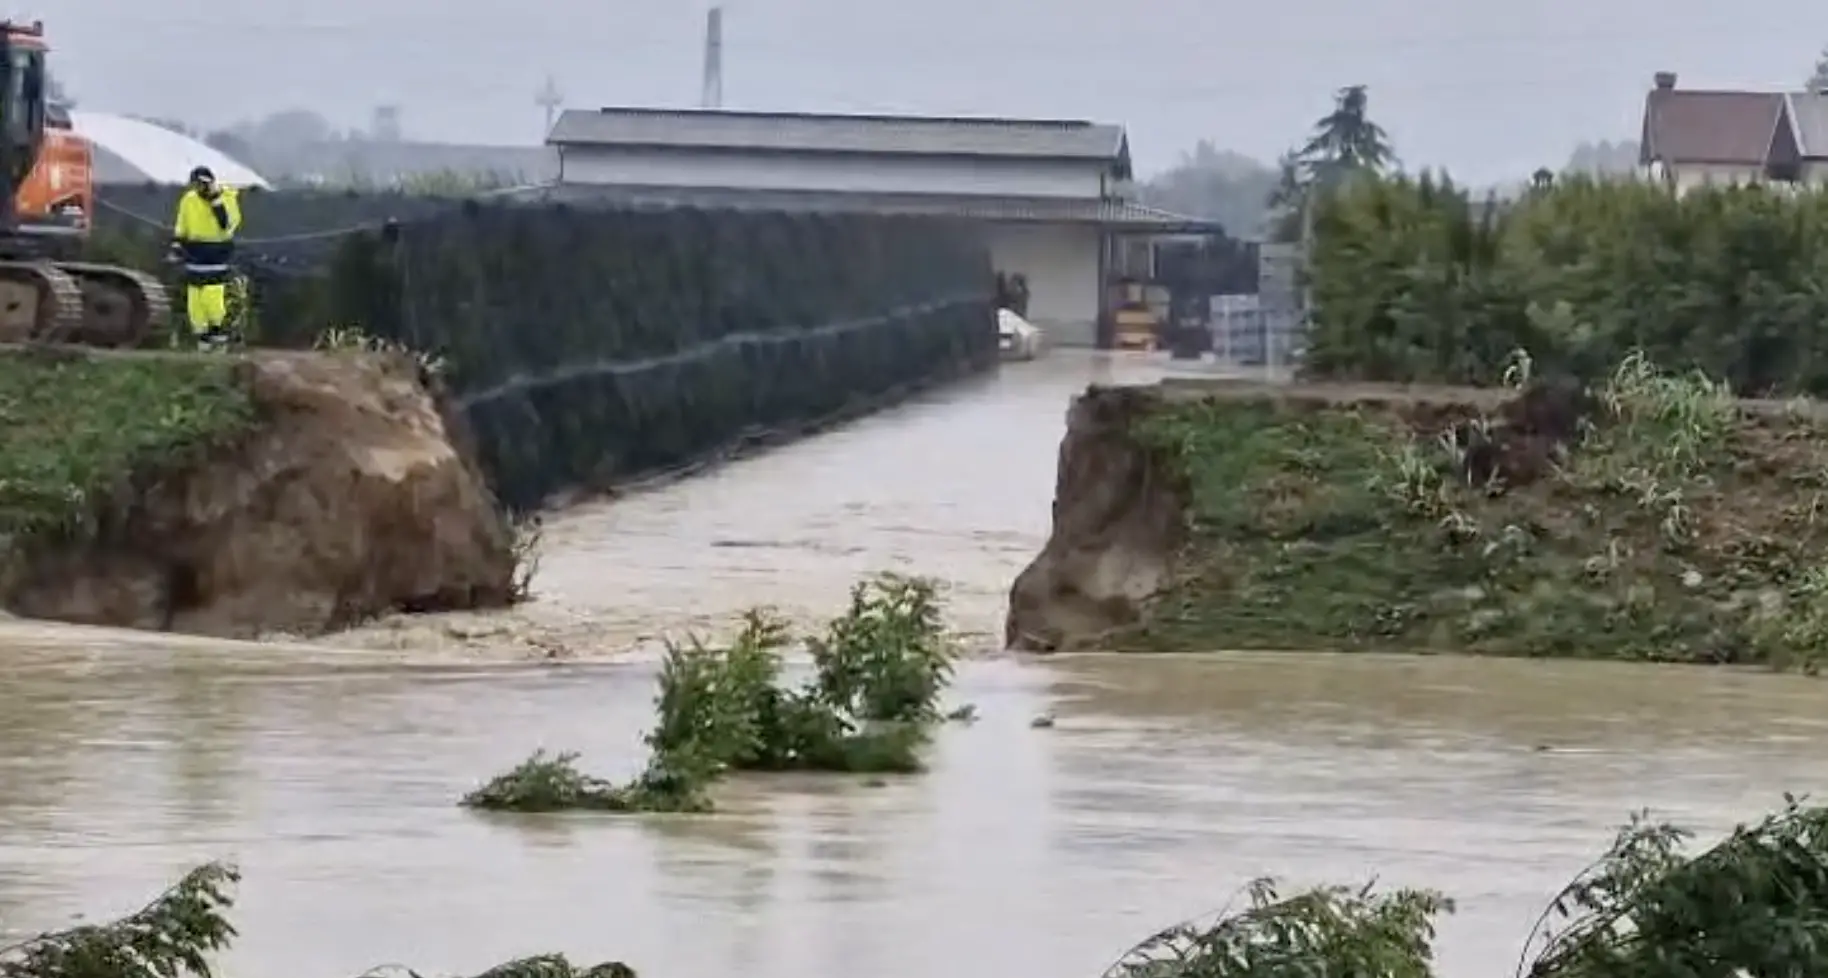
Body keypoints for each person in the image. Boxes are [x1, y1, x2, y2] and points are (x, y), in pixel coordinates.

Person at [169, 166, 242, 349]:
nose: (199, 189)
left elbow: (227, 225)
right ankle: (201, 335)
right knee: (195, 298)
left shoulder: (227, 198)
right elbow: (182, 223)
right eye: (196, 185)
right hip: (194, 253)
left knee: (212, 295)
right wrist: (177, 244)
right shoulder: (189, 199)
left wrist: (215, 201)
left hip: (217, 253)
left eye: (203, 185)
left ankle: (217, 331)